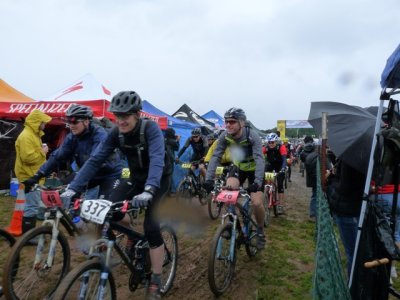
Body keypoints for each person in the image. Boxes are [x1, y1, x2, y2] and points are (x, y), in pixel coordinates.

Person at [60, 91, 170, 299]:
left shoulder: (151, 128)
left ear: (137, 114)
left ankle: (156, 278)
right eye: (116, 116)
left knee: (151, 226)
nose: (120, 120)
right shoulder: (115, 132)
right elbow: (95, 160)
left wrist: (149, 190)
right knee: (108, 209)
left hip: (158, 180)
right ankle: (131, 238)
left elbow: (157, 158)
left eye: (125, 116)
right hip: (136, 178)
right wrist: (73, 187)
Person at [24, 104, 123, 209]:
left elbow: (94, 162)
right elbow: (57, 157)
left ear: (86, 121)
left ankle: (117, 223)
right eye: (68, 121)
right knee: (63, 195)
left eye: (74, 122)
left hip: (109, 174)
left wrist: (74, 188)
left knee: (107, 210)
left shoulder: (100, 135)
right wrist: (38, 175)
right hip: (89, 173)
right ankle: (74, 218)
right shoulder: (72, 136)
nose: (71, 125)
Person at [204, 107, 266, 249]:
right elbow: (215, 156)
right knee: (228, 193)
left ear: (242, 123)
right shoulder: (224, 136)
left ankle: (261, 231)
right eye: (226, 122)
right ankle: (231, 222)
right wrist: (208, 179)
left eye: (232, 122)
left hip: (254, 169)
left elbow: (259, 159)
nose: (228, 125)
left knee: (256, 203)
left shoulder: (252, 136)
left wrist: (257, 182)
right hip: (238, 168)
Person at [14, 109, 52, 234]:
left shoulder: (34, 134)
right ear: (37, 122)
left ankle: (29, 234)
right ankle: (29, 236)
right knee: (32, 206)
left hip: (33, 173)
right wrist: (43, 152)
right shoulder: (26, 136)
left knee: (31, 205)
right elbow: (27, 158)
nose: (45, 124)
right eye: (43, 122)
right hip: (29, 175)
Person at [327, 159, 365, 277]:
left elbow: (344, 187)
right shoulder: (364, 157)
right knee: (355, 251)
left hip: (348, 210)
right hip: (355, 208)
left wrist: (331, 179)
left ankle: (352, 286)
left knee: (353, 253)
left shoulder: (350, 160)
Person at [263, 132, 287, 213]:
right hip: (271, 166)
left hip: (280, 166)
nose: (270, 144)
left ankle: (281, 205)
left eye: (272, 142)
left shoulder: (281, 147)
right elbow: (260, 156)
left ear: (276, 141)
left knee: (280, 185)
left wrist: (283, 168)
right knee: (267, 182)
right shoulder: (266, 148)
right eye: (269, 142)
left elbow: (284, 159)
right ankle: (267, 192)